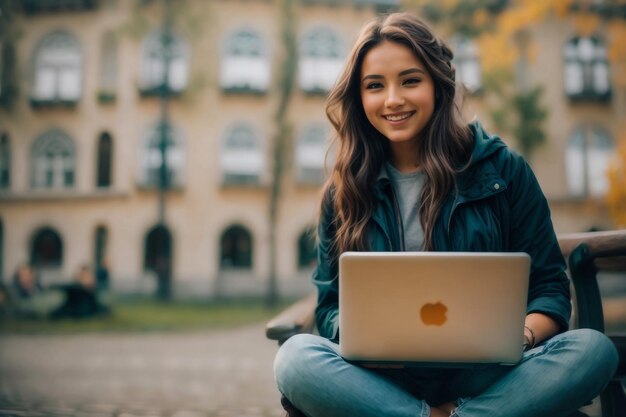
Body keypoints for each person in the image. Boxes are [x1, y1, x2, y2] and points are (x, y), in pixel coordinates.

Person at [273, 12, 618, 417]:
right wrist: (359, 339)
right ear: (358, 97)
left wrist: (518, 338)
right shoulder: (344, 190)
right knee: (295, 358)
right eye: (374, 86)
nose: (393, 99)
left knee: (593, 350)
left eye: (410, 80)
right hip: (384, 380)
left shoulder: (503, 171)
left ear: (438, 84)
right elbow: (329, 303)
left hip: (488, 373)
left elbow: (549, 287)